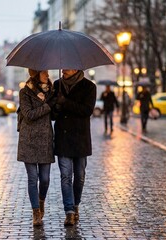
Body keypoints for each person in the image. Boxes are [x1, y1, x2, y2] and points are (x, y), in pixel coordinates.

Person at [52, 69, 96, 226]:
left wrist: (65, 103)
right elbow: (52, 115)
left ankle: (76, 204)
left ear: (77, 68)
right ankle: (69, 211)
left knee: (80, 176)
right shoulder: (57, 85)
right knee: (65, 176)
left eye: (68, 67)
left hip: (80, 138)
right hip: (63, 137)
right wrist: (56, 107)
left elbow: (87, 111)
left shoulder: (89, 86)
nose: (64, 70)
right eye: (63, 67)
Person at [17, 69, 56, 226]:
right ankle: (36, 212)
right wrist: (46, 105)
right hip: (29, 140)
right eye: (44, 72)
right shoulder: (25, 92)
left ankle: (41, 202)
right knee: (33, 179)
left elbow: (55, 114)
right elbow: (28, 114)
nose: (47, 75)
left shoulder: (52, 92)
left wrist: (53, 101)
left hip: (45, 140)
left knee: (45, 179)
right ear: (36, 74)